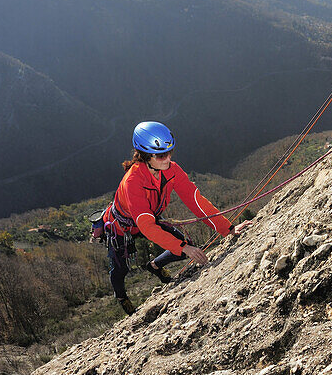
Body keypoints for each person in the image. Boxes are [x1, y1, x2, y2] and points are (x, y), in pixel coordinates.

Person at [102, 121, 248, 314]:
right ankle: (122, 297)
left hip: (147, 220)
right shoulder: (133, 182)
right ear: (146, 155)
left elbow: (195, 200)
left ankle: (154, 266)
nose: (168, 158)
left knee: (184, 244)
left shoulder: (171, 169)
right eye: (162, 155)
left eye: (170, 152)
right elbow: (146, 225)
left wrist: (228, 230)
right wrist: (184, 248)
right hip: (121, 227)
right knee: (121, 270)